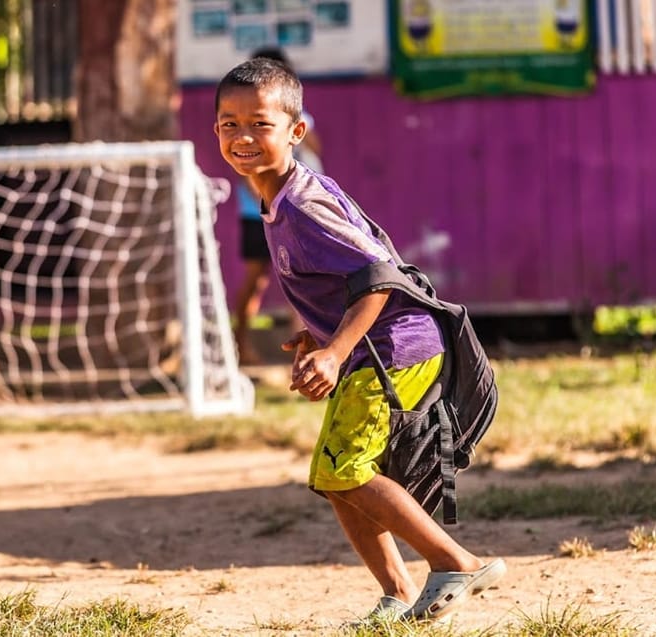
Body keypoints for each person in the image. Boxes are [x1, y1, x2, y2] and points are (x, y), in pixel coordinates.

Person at [213, 57, 505, 623]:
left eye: (260, 124)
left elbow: (379, 277)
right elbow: (344, 281)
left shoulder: (302, 204)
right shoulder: (280, 198)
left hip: (396, 350)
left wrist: (336, 349)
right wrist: (317, 332)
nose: (243, 137)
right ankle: (397, 594)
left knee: (344, 469)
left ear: (296, 131)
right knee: (337, 474)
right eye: (229, 124)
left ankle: (454, 563)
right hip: (379, 347)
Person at [232, 47, 321, 365]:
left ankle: (307, 353)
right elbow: (247, 173)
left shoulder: (296, 117)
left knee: (302, 279)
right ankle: (239, 345)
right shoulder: (246, 119)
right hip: (259, 211)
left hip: (295, 210)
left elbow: (314, 151)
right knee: (257, 279)